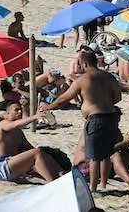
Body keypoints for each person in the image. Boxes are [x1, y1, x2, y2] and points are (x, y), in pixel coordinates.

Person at [44, 49, 122, 192]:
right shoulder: (109, 76)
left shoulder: (83, 80)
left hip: (95, 118)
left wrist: (49, 106)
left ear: (84, 64)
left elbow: (64, 98)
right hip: (111, 117)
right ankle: (104, 184)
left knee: (93, 157)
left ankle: (93, 188)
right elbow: (118, 97)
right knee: (106, 154)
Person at [0, 103, 63, 183]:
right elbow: (15, 124)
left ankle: (59, 177)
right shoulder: (3, 124)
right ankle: (54, 183)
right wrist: (35, 117)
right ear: (7, 113)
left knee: (42, 152)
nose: (19, 112)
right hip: (0, 166)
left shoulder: (18, 132)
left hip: (11, 165)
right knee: (37, 153)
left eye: (20, 110)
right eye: (16, 110)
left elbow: (30, 148)